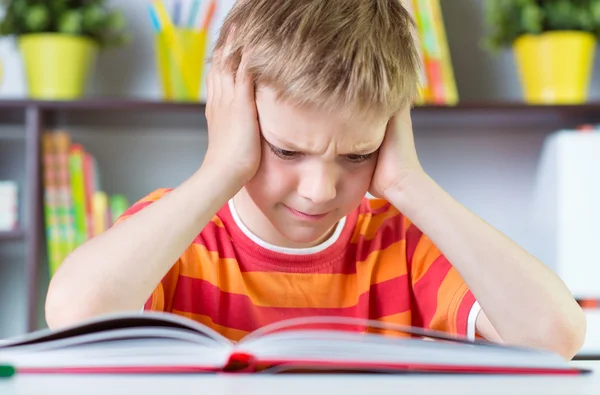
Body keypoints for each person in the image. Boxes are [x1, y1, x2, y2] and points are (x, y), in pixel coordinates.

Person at [45, 0, 585, 360]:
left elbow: (553, 337)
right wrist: (221, 169)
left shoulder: (403, 243)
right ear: (233, 119)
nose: (320, 189)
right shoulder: (174, 236)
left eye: (357, 154)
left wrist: (408, 183)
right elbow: (74, 317)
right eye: (286, 149)